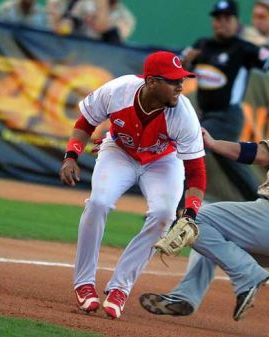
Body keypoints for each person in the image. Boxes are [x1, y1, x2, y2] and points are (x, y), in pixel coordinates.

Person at [139, 2, 269, 321]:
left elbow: (257, 154)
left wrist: (213, 143)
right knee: (211, 229)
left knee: (196, 217)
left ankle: (246, 274)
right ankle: (185, 296)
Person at [59, 51, 206, 319]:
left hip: (163, 161)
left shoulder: (183, 114)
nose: (180, 86)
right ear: (151, 82)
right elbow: (86, 121)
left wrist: (191, 211)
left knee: (164, 215)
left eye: (181, 80)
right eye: (173, 81)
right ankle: (84, 283)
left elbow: (195, 171)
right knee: (98, 203)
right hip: (119, 151)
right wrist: (71, 155)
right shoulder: (119, 90)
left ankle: (120, 288)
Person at [182, 0, 269, 202]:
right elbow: (181, 70)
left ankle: (177, 207)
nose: (221, 23)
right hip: (206, 114)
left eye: (227, 18)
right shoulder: (202, 45)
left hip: (227, 116)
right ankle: (260, 202)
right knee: (231, 164)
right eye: (217, 18)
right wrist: (187, 61)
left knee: (191, 147)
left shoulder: (243, 48)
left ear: (237, 21)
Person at [47, 0, 135, 43]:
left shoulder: (126, 18)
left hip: (102, 63)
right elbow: (65, 27)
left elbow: (100, 27)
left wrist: (102, 6)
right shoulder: (84, 4)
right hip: (75, 53)